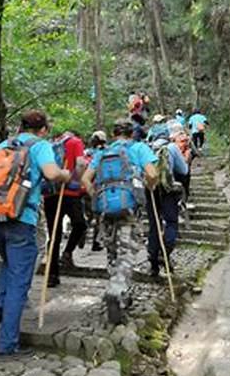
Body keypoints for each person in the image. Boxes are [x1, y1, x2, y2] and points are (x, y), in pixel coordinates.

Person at [0, 110, 70, 360]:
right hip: (21, 219)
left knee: (10, 264)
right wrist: (66, 174)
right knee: (19, 282)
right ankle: (7, 346)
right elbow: (53, 174)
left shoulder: (2, 145)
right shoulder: (40, 145)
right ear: (43, 129)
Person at [81, 119, 159, 324]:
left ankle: (123, 295)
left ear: (114, 134)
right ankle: (116, 291)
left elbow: (85, 180)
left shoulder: (102, 153)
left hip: (106, 210)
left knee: (113, 252)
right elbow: (152, 173)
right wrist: (149, 187)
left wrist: (95, 197)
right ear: (132, 133)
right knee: (127, 252)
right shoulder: (139, 148)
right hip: (129, 210)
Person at [43, 129, 87, 287]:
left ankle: (52, 275)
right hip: (69, 192)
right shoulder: (76, 142)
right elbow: (81, 163)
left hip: (50, 194)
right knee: (80, 224)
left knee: (54, 233)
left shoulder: (49, 145)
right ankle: (67, 252)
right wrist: (75, 180)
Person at [146, 129, 189, 280]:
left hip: (150, 190)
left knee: (154, 224)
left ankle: (153, 265)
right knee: (171, 222)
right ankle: (164, 253)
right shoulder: (172, 148)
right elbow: (184, 170)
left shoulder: (147, 147)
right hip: (167, 190)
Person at [85, 130, 107, 252]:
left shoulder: (88, 153)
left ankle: (85, 237)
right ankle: (97, 242)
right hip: (100, 186)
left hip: (87, 186)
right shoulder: (104, 152)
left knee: (91, 215)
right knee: (99, 216)